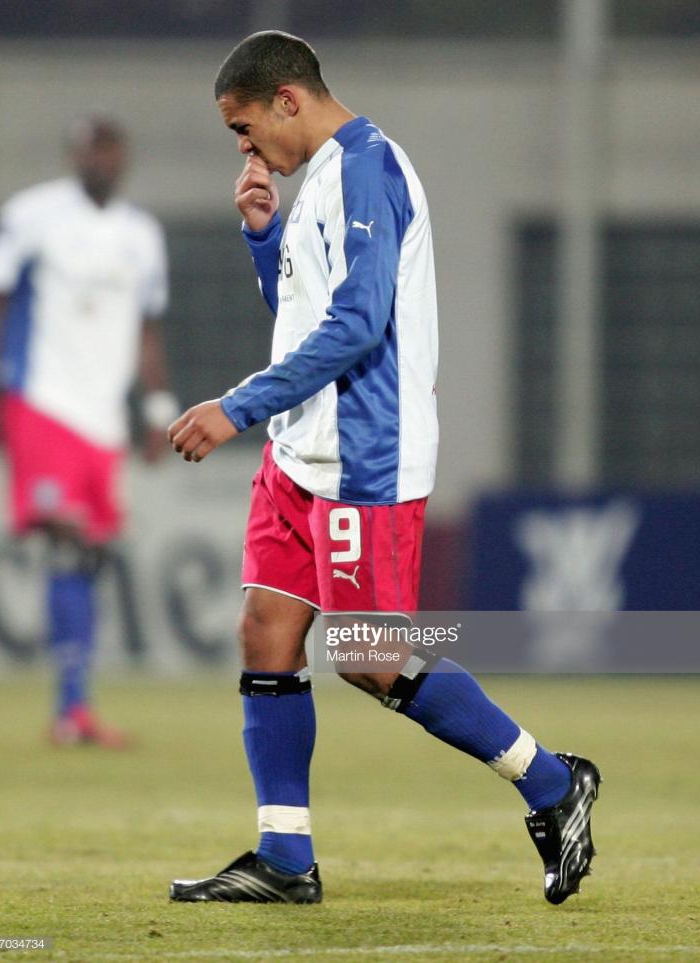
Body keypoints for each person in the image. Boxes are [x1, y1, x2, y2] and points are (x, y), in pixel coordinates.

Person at [167, 31, 600, 905]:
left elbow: (361, 324)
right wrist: (264, 239)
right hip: (299, 450)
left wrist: (235, 406)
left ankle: (553, 782)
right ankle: (285, 858)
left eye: (245, 129)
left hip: (364, 453)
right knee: (266, 633)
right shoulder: (318, 182)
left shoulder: (368, 169)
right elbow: (302, 318)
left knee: (370, 656)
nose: (245, 150)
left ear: (288, 99)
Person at [0, 116, 176, 747]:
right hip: (41, 402)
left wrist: (157, 409)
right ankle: (72, 710)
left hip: (102, 419)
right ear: (74, 155)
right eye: (92, 149)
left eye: (111, 150)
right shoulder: (30, 217)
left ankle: (73, 708)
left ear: (124, 158)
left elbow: (147, 328)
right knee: (66, 535)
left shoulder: (141, 235)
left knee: (89, 552)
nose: (102, 160)